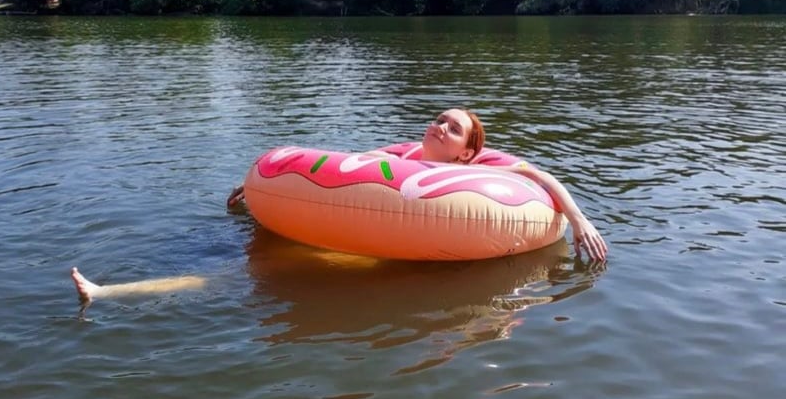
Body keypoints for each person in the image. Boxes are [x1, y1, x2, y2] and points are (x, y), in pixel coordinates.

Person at [227, 108, 607, 263]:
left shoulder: (483, 164)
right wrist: (262, 186)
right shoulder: (403, 154)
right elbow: (343, 169)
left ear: (464, 153)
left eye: (453, 129)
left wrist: (579, 220)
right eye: (439, 120)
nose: (440, 127)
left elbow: (541, 178)